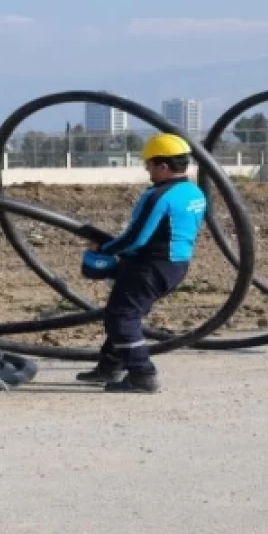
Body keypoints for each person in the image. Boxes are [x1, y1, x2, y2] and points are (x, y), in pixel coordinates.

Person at [75, 133, 207, 393]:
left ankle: (142, 374)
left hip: (150, 266)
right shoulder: (194, 192)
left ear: (164, 166)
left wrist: (104, 248)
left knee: (121, 317)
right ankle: (110, 366)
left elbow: (137, 238)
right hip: (175, 265)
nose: (147, 170)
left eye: (150, 165)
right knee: (123, 311)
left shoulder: (159, 196)